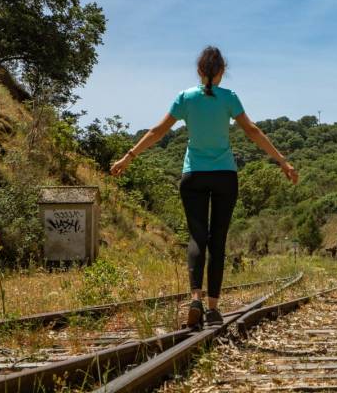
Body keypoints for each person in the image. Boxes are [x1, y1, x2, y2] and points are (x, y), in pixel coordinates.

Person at [110, 46, 298, 329]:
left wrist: (129, 157)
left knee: (197, 237)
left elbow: (157, 132)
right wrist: (282, 162)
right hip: (224, 176)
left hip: (193, 175)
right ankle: (212, 308)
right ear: (222, 71)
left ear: (199, 71)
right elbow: (253, 131)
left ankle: (195, 298)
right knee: (217, 241)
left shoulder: (185, 98)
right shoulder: (229, 98)